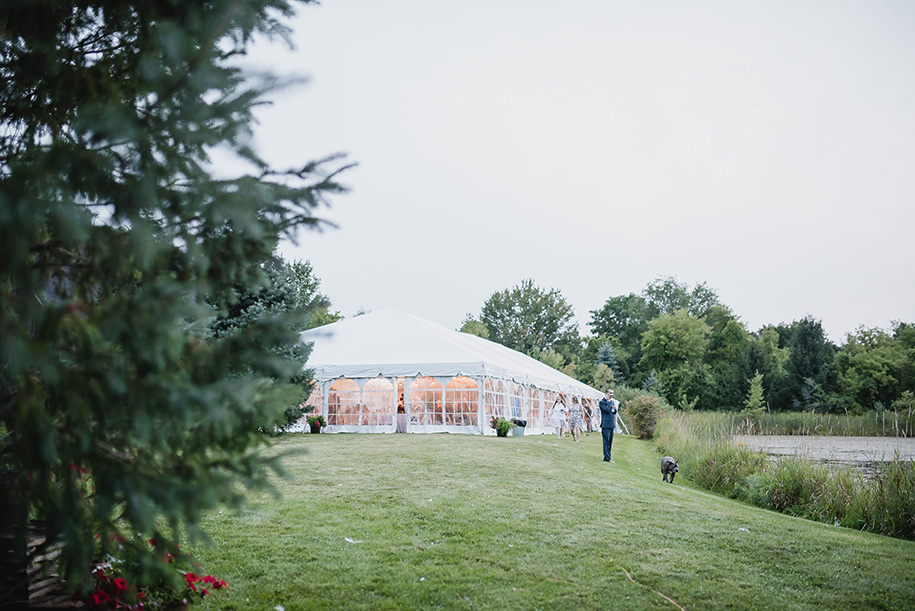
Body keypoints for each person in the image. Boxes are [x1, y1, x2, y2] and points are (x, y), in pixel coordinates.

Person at [598, 388, 619, 462]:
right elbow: (606, 410)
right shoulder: (602, 402)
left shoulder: (612, 402)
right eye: (610, 393)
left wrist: (614, 409)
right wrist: (608, 403)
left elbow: (613, 412)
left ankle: (609, 457)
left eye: (612, 393)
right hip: (605, 424)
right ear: (606, 393)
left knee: (610, 442)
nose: (612, 395)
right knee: (606, 441)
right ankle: (606, 457)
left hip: (611, 424)